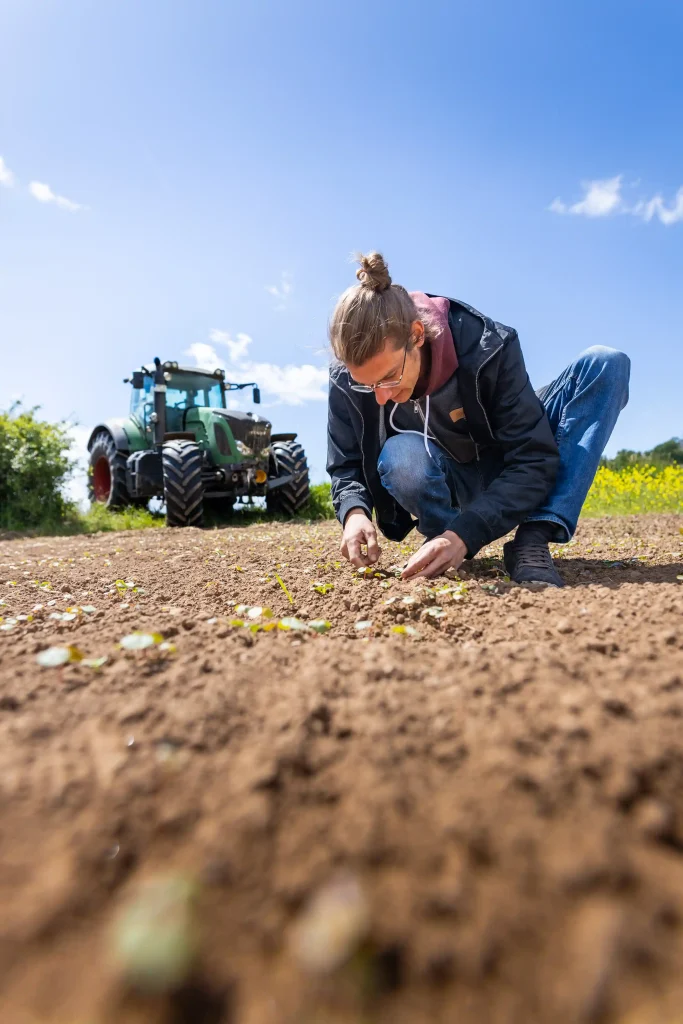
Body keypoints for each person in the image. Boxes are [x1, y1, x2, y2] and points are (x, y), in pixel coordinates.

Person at [327, 252, 630, 587]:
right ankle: (442, 538)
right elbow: (346, 462)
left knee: (606, 363)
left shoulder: (488, 347)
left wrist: (468, 533)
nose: (380, 396)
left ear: (416, 335)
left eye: (388, 378)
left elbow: (532, 456)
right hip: (447, 476)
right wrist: (354, 512)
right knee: (401, 456)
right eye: (367, 385)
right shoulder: (347, 377)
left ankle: (532, 538)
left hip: (505, 465)